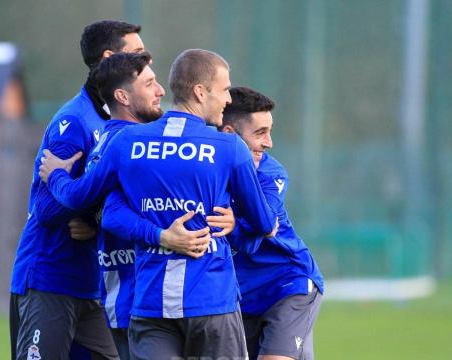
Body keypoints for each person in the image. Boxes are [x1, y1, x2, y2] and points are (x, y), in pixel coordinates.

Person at [38, 49, 278, 359]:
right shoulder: (229, 146)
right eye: (224, 90)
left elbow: (80, 198)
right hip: (211, 302)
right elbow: (263, 221)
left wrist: (56, 174)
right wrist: (235, 222)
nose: (229, 99)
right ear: (200, 91)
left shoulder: (127, 142)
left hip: (150, 305)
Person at [74, 51, 235, 360]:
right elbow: (100, 208)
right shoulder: (123, 143)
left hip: (156, 298)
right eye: (150, 83)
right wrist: (162, 236)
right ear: (122, 96)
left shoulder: (147, 143)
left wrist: (233, 219)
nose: (161, 91)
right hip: (137, 298)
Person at [9, 20, 145, 360]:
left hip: (91, 285)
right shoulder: (74, 121)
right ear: (110, 58)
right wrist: (87, 205)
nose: (147, 63)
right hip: (50, 279)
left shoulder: (117, 123)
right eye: (139, 54)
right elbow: (46, 209)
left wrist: (95, 219)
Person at [221, 87, 325, 360]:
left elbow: (260, 229)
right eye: (260, 133)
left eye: (269, 131)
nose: (269, 142)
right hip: (241, 297)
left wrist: (233, 227)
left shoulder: (271, 173)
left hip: (287, 284)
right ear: (230, 134)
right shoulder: (207, 173)